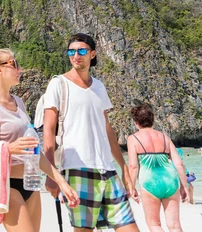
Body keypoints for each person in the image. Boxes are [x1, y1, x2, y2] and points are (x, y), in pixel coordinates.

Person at [0, 49, 79, 231]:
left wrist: (61, 182)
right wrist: (8, 149)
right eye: (14, 64)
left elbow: (33, 150)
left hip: (31, 182)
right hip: (9, 185)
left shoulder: (18, 102)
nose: (20, 68)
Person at [44, 33, 138, 232]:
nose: (75, 55)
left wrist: (124, 167)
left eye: (81, 51)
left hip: (108, 171)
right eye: (71, 51)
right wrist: (51, 173)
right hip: (78, 169)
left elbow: (107, 130)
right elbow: (49, 130)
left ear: (92, 54)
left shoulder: (99, 86)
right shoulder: (58, 84)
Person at [127, 103, 188, 232]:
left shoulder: (133, 139)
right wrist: (184, 186)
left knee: (154, 224)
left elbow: (133, 166)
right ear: (152, 119)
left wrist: (131, 187)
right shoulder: (164, 137)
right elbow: (179, 163)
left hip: (149, 182)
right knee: (175, 225)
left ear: (136, 122)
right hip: (170, 180)